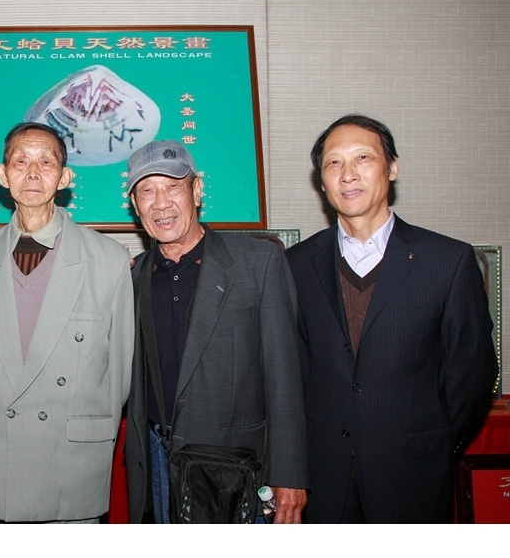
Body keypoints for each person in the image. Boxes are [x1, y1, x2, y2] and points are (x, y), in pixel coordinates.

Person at [285, 113, 497, 523]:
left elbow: (471, 374)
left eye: (362, 158)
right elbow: (292, 375)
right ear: (321, 180)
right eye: (333, 163)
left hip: (413, 476)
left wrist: (433, 443)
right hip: (323, 482)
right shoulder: (295, 264)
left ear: (392, 168)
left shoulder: (448, 261)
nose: (348, 174)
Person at [124, 140, 310, 524]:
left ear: (197, 190)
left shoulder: (258, 262)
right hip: (158, 457)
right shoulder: (135, 274)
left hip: (234, 465)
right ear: (135, 205)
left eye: (172, 187)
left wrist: (289, 475)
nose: (161, 203)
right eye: (146, 191)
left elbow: (285, 378)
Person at [0, 122, 134, 523]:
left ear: (65, 177)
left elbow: (118, 377)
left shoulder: (107, 259)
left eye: (46, 162)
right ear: (2, 175)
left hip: (70, 468)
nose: (33, 173)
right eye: (21, 161)